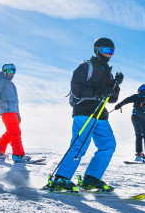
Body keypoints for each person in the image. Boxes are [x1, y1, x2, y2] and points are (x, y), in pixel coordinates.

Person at [48, 38, 123, 192]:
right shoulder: (85, 67)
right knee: (80, 144)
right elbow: (76, 88)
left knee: (108, 145)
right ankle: (61, 179)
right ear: (97, 50)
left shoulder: (108, 73)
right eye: (105, 51)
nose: (108, 55)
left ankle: (91, 178)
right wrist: (98, 93)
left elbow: (112, 99)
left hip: (100, 114)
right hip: (84, 111)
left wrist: (116, 85)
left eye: (111, 52)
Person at [0, 63, 31, 163]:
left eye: (14, 71)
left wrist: (18, 114)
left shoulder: (11, 84)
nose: (12, 73)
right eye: (10, 71)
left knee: (11, 132)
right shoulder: (0, 81)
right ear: (4, 71)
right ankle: (18, 155)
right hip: (6, 111)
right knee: (16, 133)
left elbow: (15, 101)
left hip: (13, 112)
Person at [114, 84, 145, 163]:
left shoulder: (137, 96)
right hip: (144, 120)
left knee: (138, 135)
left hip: (135, 118)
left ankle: (139, 154)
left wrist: (119, 105)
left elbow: (127, 100)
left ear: (139, 89)